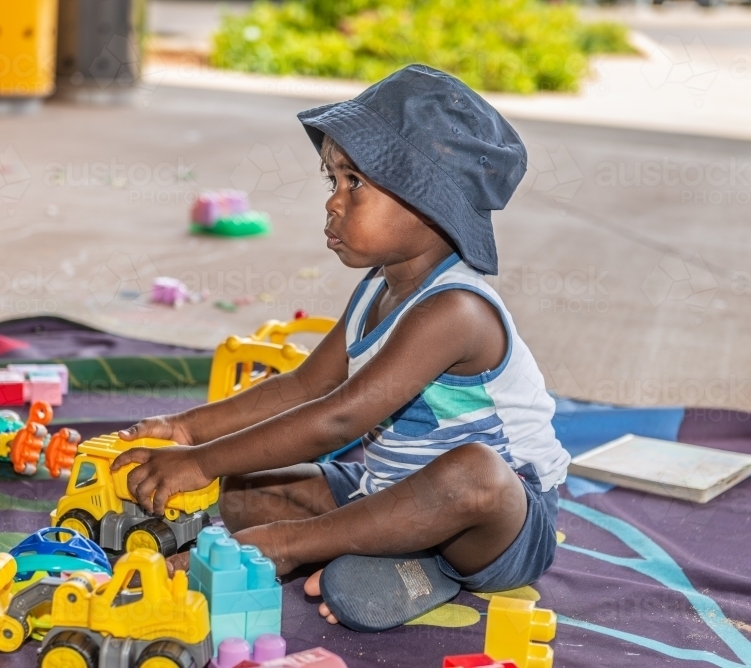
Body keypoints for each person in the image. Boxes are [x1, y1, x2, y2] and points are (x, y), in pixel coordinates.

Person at [111, 64, 570, 631]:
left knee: (474, 473)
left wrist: (199, 462)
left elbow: (339, 418)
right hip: (390, 490)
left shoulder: (456, 310)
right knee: (243, 493)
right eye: (333, 181)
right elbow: (304, 386)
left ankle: (291, 546)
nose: (332, 202)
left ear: (431, 203)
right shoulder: (377, 287)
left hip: (501, 526)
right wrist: (187, 430)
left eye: (355, 183)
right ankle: (403, 559)